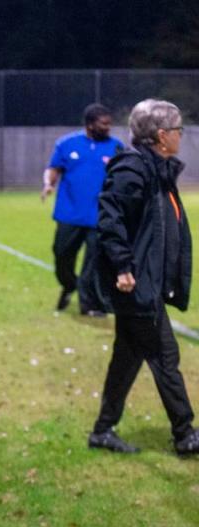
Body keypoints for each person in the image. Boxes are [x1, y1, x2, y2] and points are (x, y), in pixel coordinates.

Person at [90, 98, 199, 456]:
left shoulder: (155, 168)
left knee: (127, 359)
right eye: (179, 129)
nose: (182, 135)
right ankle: (186, 434)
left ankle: (102, 430)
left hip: (145, 282)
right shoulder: (133, 168)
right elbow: (110, 216)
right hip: (136, 285)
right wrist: (123, 265)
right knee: (165, 356)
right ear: (161, 135)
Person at [42, 103, 123, 316]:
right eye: (103, 124)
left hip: (100, 216)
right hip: (69, 214)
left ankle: (90, 305)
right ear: (89, 124)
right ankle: (69, 285)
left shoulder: (116, 147)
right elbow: (53, 169)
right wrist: (48, 184)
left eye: (109, 124)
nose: (108, 128)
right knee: (62, 255)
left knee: (94, 262)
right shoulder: (67, 144)